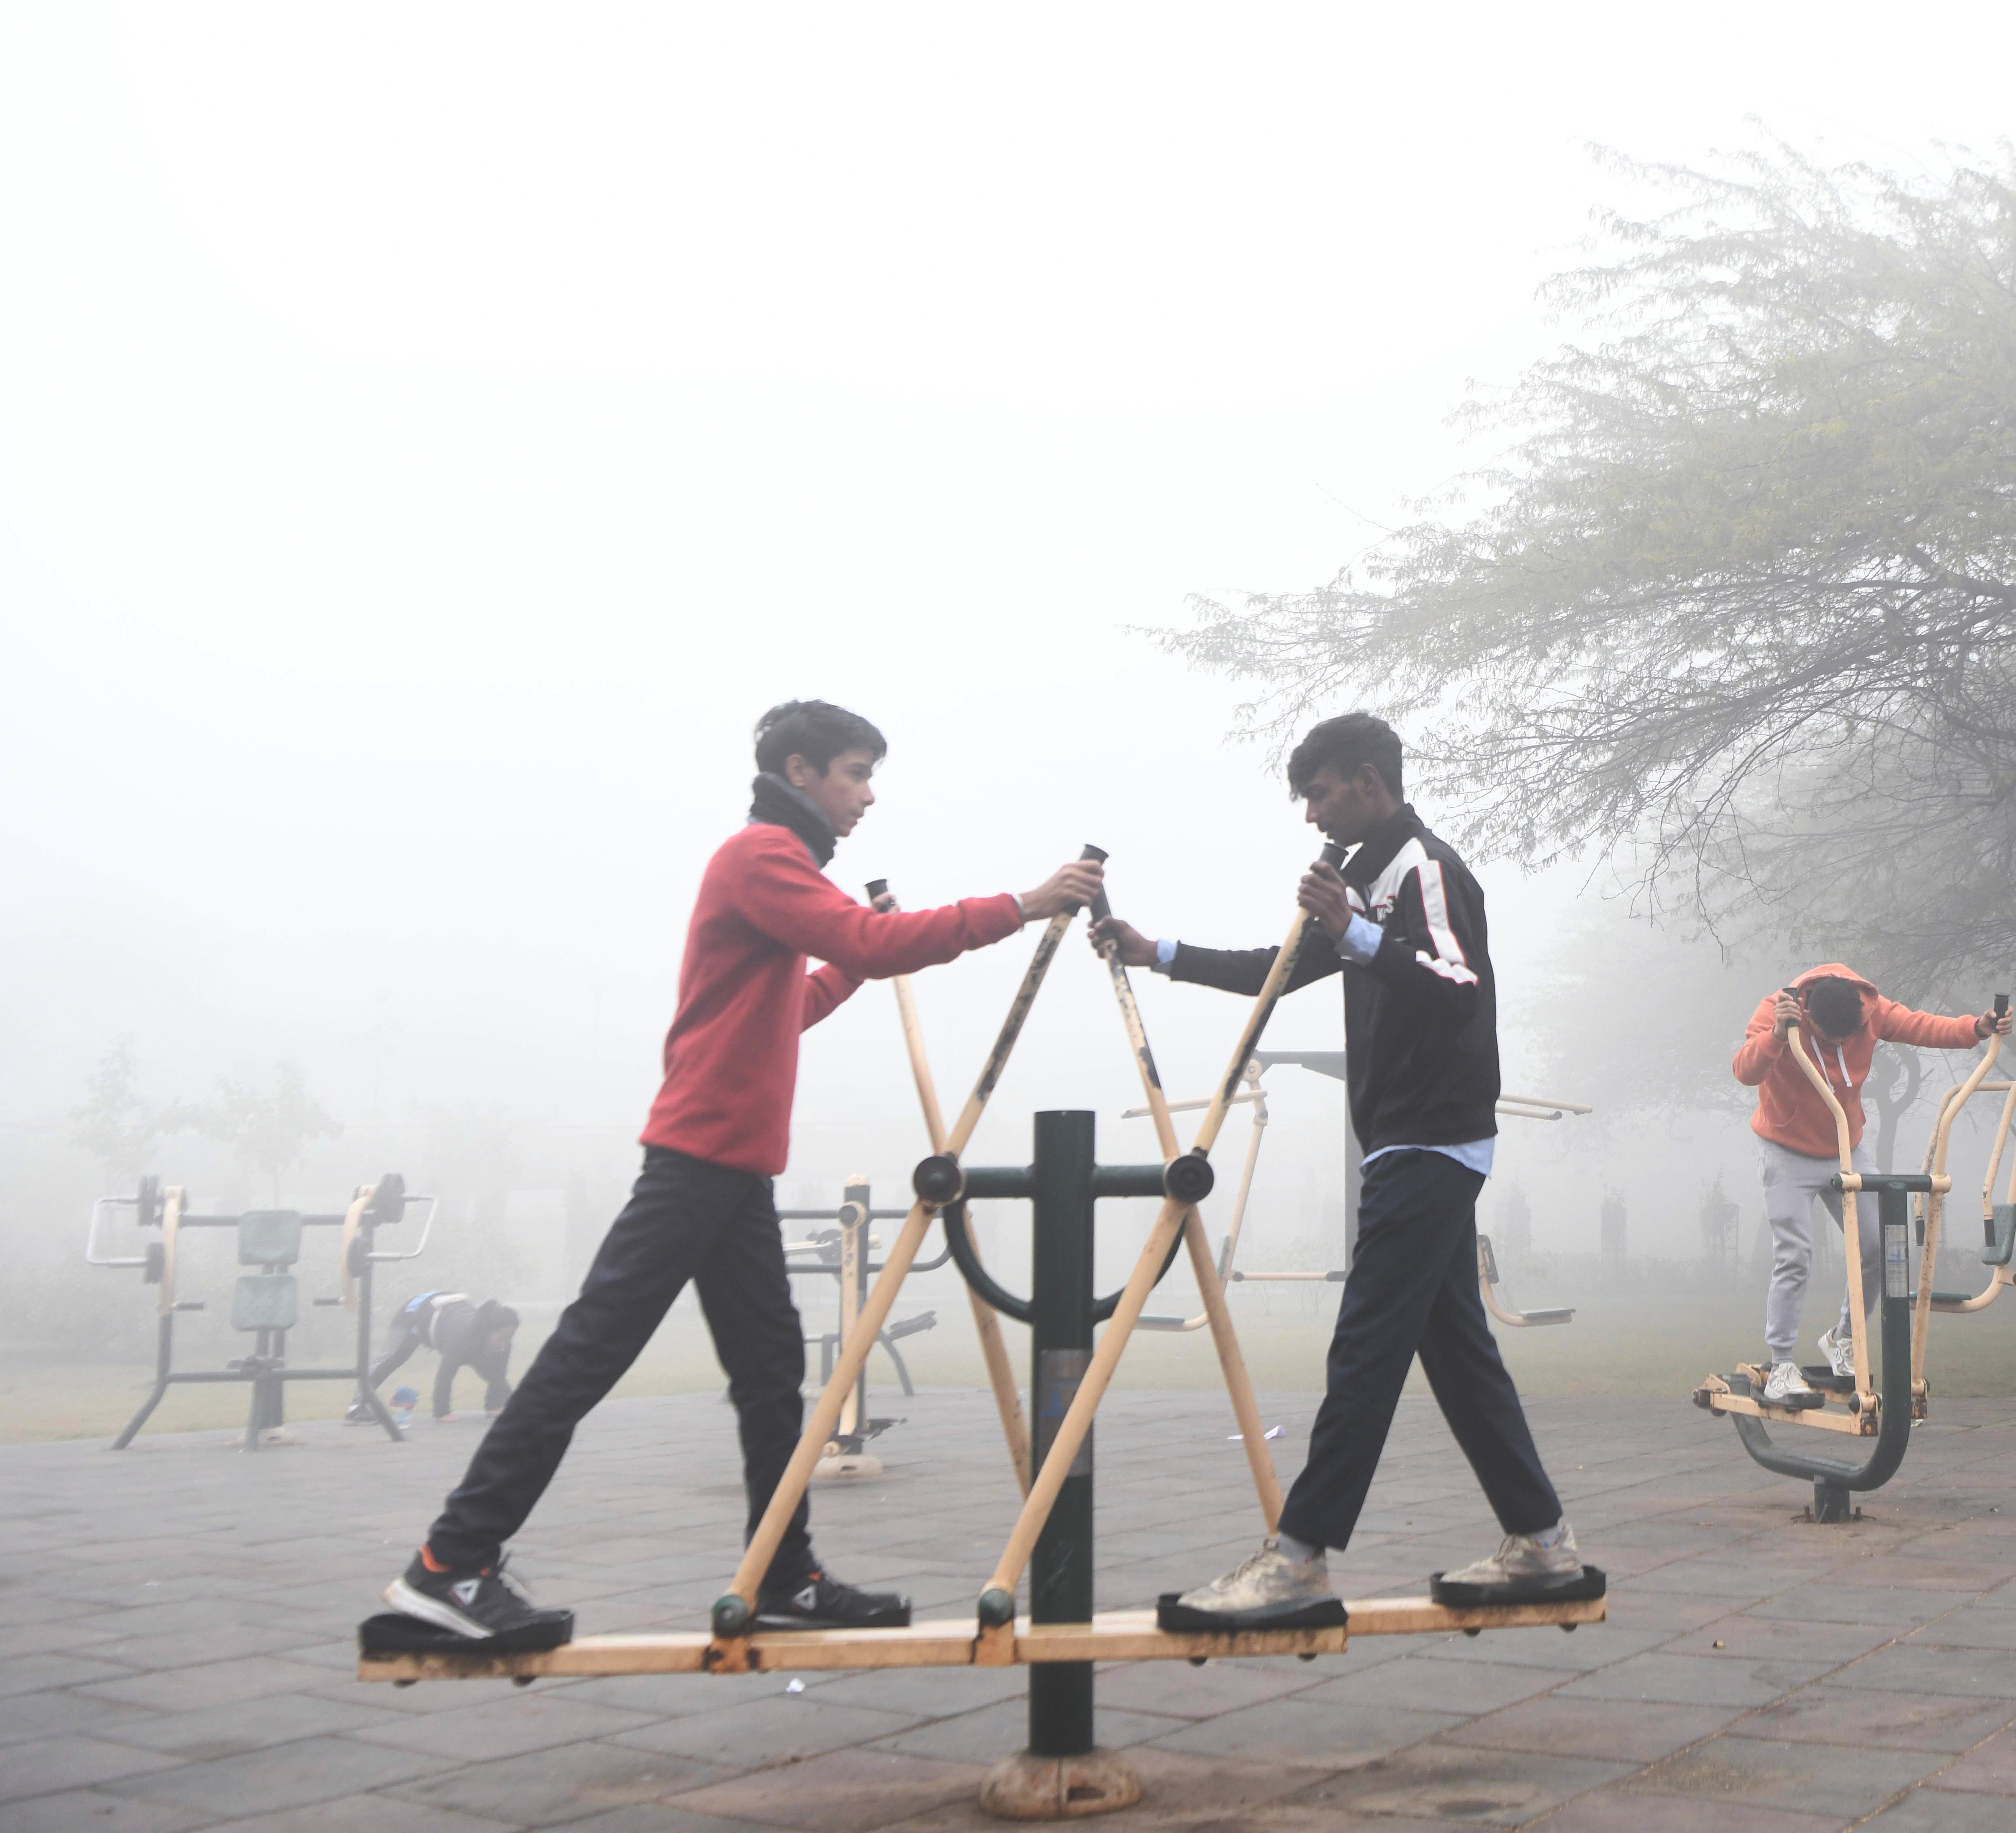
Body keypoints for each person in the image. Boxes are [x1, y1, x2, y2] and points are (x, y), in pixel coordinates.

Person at [373, 700, 1104, 1652]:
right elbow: (872, 943)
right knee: (582, 1360)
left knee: (769, 1379)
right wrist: (1025, 902)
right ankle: (447, 1566)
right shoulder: (760, 856)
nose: (868, 795)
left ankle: (781, 1573)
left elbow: (787, 1005)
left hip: (734, 1178)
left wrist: (857, 963)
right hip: (693, 1169)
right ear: (799, 772)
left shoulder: (781, 872)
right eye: (854, 773)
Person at [1090, 712, 1588, 1626]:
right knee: (1455, 1351)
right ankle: (1542, 1542)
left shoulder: (1423, 867)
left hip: (1433, 1136)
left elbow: (1457, 985)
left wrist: (1356, 935)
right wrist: (1153, 949)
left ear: (1368, 779)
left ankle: (1298, 1558)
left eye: (1320, 792)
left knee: (1364, 1344)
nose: (1312, 812)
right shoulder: (1358, 881)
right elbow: (1268, 972)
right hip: (1403, 1136)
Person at [1732, 966, 2012, 1410]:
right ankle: (1781, 1363)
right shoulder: (1778, 1009)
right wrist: (1776, 1037)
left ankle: (1843, 1337)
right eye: (1828, 1040)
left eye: (1846, 1040)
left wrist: (1974, 1028)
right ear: (1807, 1015)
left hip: (1845, 1145)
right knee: (1795, 1254)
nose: (1839, 1048)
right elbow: (1745, 1071)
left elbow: (1920, 1025)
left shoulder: (1870, 1009)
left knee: (1881, 1245)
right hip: (1786, 1149)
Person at [353, 1292, 517, 1422]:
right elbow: (445, 1376)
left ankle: (498, 1402)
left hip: (448, 1315)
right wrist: (442, 1412)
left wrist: (494, 1407)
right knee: (392, 1359)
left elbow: (498, 1376)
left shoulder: (503, 1344)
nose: (505, 1343)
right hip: (416, 1313)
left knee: (494, 1374)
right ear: (488, 1331)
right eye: (502, 1338)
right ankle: (357, 1407)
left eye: (509, 1338)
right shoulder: (462, 1338)